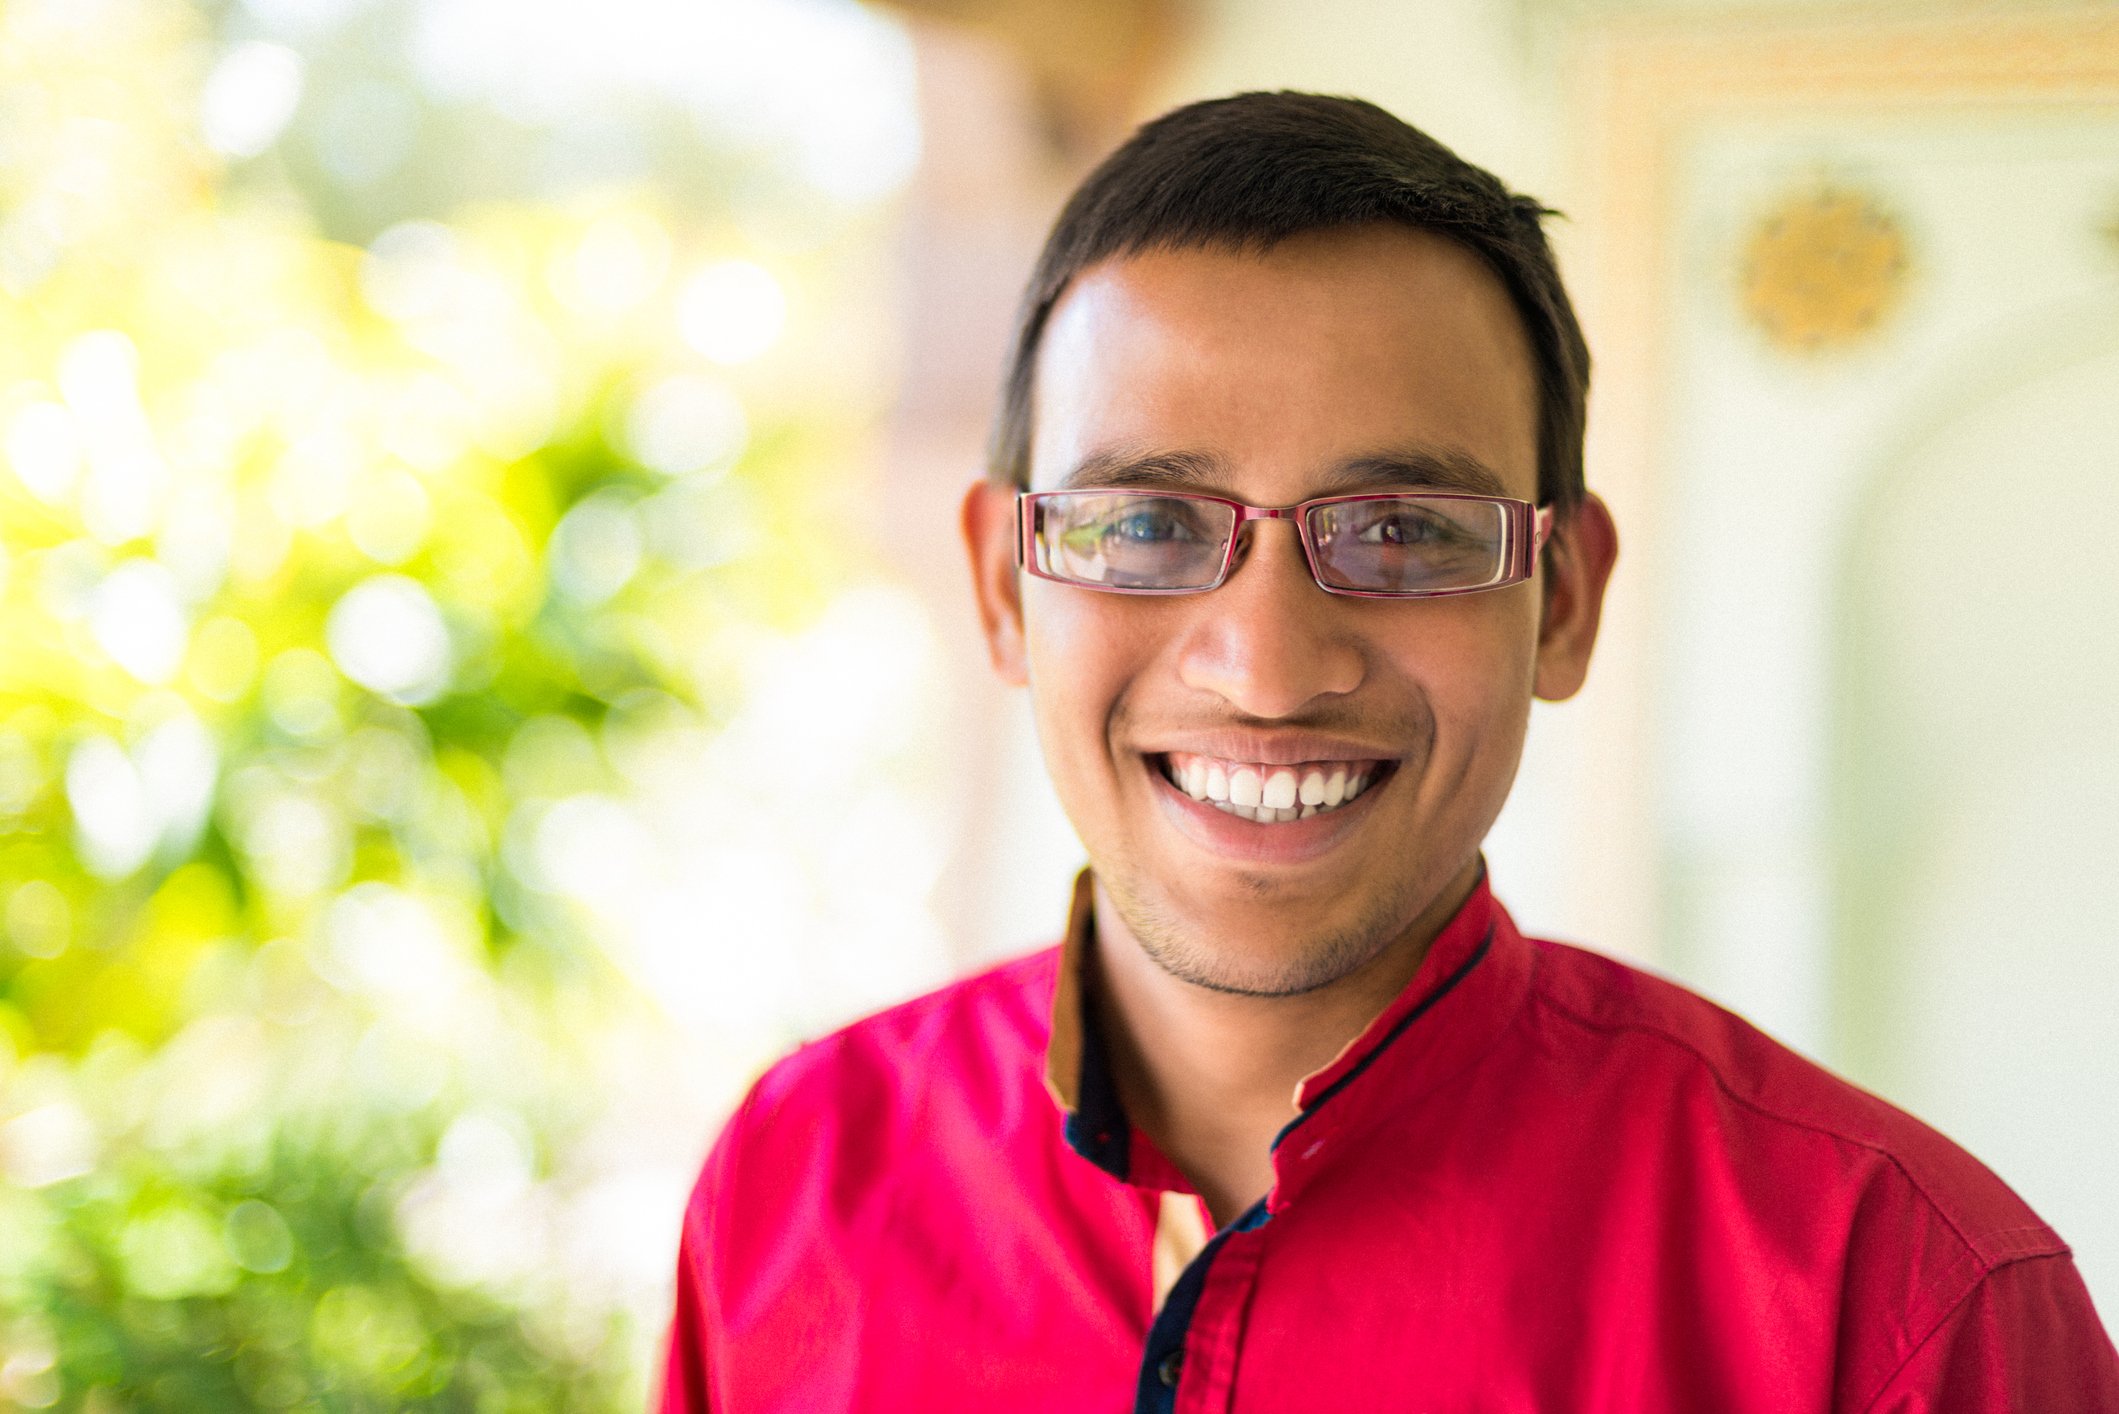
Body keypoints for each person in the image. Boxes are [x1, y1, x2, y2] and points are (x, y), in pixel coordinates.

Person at [656, 91, 2118, 1412]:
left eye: (1406, 529)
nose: (1270, 664)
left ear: (1565, 600)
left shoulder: (1899, 1304)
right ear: (999, 584)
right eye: (1149, 526)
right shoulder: (798, 1183)